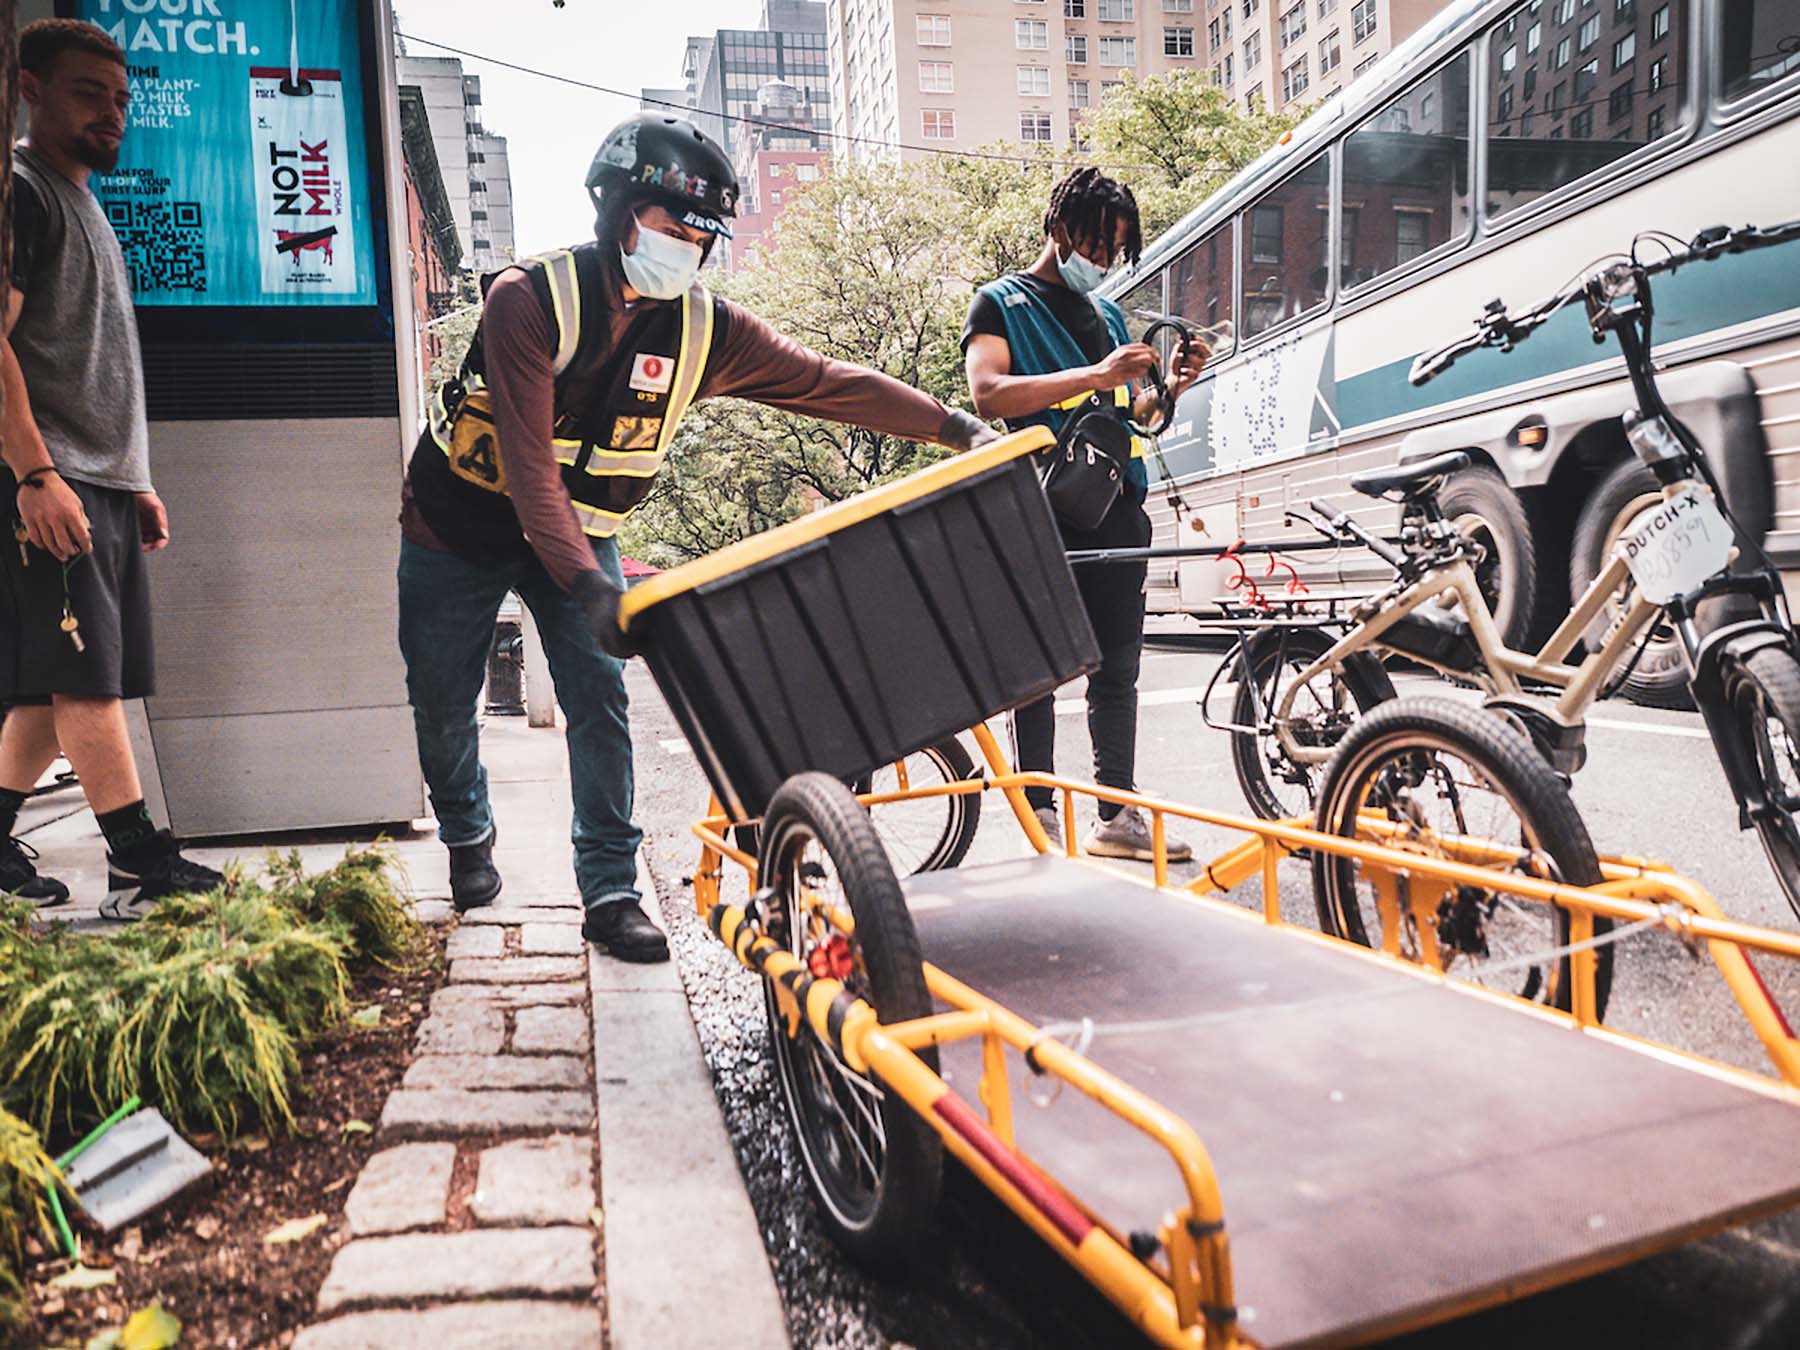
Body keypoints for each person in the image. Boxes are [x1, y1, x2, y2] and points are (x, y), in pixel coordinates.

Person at [400, 112, 995, 962]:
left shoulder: (704, 330)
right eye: (671, 229)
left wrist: (953, 426)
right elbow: (531, 475)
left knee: (601, 701)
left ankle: (611, 891)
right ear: (618, 213)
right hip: (456, 523)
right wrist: (595, 589)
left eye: (701, 237)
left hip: (580, 530)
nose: (686, 249)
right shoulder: (528, 301)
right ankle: (466, 833)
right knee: (441, 703)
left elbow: (826, 382)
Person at [0, 20, 223, 918]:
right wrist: (35, 475)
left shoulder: (76, 197)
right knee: (85, 678)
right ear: (30, 88)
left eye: (121, 99)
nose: (112, 113)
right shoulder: (23, 193)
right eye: (89, 92)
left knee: (48, 688)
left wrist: (132, 480)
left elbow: (84, 359)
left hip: (94, 480)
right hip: (50, 480)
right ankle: (140, 867)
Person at [962, 166, 1206, 862]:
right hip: (1043, 506)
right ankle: (1037, 812)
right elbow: (988, 392)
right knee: (1039, 666)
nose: (1103, 261)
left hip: (1118, 505)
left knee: (1118, 667)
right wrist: (1096, 374)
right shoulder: (1000, 302)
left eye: (1114, 250)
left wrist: (1172, 386)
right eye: (1096, 245)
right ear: (1060, 229)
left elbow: (1132, 416)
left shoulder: (1107, 315)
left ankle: (1116, 814)